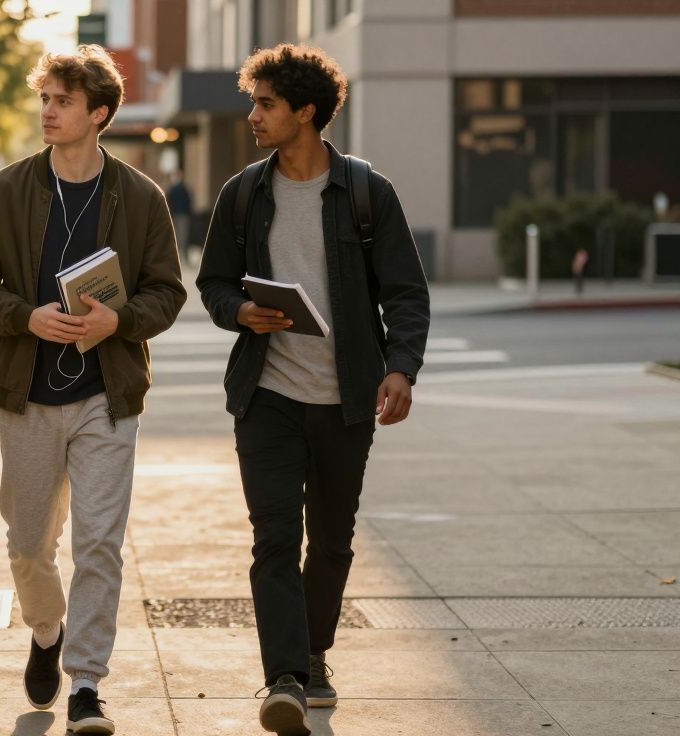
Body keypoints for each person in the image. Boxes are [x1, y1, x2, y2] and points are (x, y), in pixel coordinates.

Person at [196, 44, 429, 736]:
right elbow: (212, 283)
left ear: (305, 111)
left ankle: (313, 653)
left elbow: (407, 294)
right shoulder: (244, 194)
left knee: (329, 542)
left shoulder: (365, 193)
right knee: (274, 537)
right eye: (253, 101)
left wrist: (400, 366)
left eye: (266, 103)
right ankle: (285, 677)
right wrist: (240, 310)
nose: (253, 115)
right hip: (266, 396)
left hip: (346, 400)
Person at [0, 45, 186, 735]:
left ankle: (86, 682)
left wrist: (122, 320)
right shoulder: (6, 190)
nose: (47, 111)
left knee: (100, 544)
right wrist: (25, 316)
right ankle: (47, 631)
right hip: (26, 397)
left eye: (62, 100)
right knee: (28, 545)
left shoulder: (140, 197)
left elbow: (168, 292)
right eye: (45, 99)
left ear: (99, 113)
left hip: (105, 398)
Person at [166, 169, 194, 262]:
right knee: (183, 235)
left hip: (175, 214)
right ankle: (183, 256)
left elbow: (168, 201)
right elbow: (189, 200)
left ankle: (178, 256)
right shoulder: (184, 188)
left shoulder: (173, 189)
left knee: (178, 235)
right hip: (183, 214)